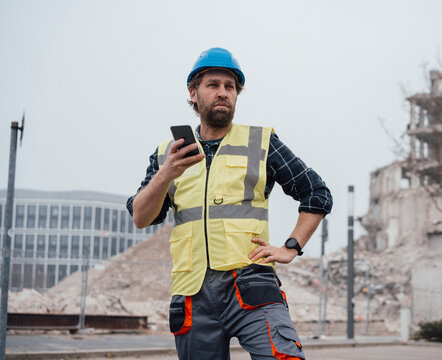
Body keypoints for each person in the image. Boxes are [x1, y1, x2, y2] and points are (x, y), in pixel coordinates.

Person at [126, 47, 332, 360]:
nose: (223, 93)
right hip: (193, 292)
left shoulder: (261, 142)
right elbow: (141, 217)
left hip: (252, 283)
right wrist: (167, 172)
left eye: (230, 87)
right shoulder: (167, 154)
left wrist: (291, 247)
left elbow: (317, 193)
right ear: (193, 93)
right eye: (213, 85)